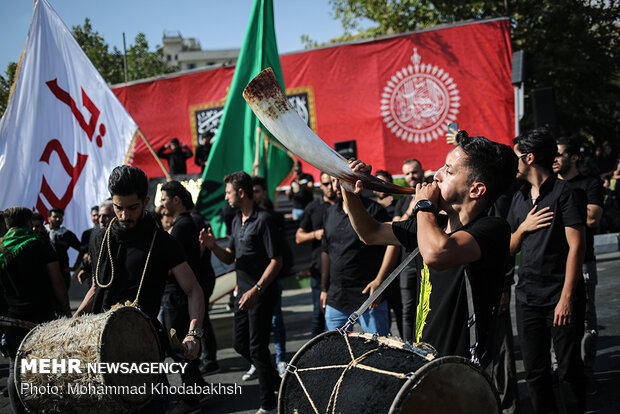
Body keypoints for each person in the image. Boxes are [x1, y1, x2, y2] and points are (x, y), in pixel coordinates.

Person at [340, 132, 517, 363]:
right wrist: (349, 190)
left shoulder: (492, 228)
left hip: (462, 368)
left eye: (449, 171)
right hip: (424, 359)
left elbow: (437, 253)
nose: (436, 175)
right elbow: (370, 233)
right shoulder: (433, 224)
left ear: (476, 190)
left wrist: (424, 205)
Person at [75, 166, 204, 414]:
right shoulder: (98, 238)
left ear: (145, 202)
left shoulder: (163, 242)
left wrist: (194, 334)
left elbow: (193, 291)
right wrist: (73, 322)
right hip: (100, 348)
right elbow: (96, 287)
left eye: (132, 207)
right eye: (118, 207)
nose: (124, 215)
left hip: (144, 349)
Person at [509, 128, 586, 414]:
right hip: (527, 297)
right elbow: (509, 247)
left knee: (567, 370)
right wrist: (524, 227)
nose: (512, 163)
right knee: (535, 372)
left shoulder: (566, 193)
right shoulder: (518, 198)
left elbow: (576, 247)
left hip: (560, 295)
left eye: (516, 157)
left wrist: (566, 298)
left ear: (529, 158)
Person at [201, 171, 282, 414]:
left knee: (257, 348)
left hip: (260, 295)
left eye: (228, 192)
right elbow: (231, 259)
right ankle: (276, 382)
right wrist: (213, 246)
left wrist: (257, 289)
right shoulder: (237, 220)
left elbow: (276, 261)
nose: (226, 197)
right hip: (242, 295)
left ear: (242, 193)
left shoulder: (264, 220)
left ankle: (268, 405)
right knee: (240, 344)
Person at [0, 207, 71, 414]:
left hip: (10, 319)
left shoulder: (1, 248)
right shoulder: (41, 244)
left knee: (16, 366)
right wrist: (66, 309)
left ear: (7, 225)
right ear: (29, 223)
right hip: (41, 316)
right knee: (46, 365)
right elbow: (57, 281)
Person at [553, 136, 603, 396]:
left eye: (560, 154)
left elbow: (592, 218)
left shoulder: (589, 183)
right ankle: (558, 370)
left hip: (584, 261)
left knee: (585, 320)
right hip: (552, 264)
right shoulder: (548, 186)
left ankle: (587, 372)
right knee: (552, 317)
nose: (555, 159)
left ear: (574, 158)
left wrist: (557, 212)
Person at [320, 175, 391, 336]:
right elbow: (326, 251)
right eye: (332, 181)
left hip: (368, 295)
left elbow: (392, 246)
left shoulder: (375, 210)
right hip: (336, 296)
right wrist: (324, 288)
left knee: (379, 351)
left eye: (340, 179)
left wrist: (380, 281)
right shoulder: (329, 213)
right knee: (334, 352)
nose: (336, 185)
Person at [160, 181, 208, 413]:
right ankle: (198, 387)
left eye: (164, 199)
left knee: (180, 350)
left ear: (176, 200)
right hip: (179, 296)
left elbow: (169, 267)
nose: (161, 204)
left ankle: (190, 400)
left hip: (177, 297)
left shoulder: (180, 227)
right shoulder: (185, 224)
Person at [377, 158, 425, 343]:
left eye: (414, 172)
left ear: (421, 171)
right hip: (407, 264)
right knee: (407, 310)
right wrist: (411, 210)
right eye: (407, 174)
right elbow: (397, 228)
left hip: (430, 260)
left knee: (429, 307)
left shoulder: (435, 194)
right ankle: (409, 348)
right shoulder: (403, 202)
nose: (411, 177)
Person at [252, 175, 288, 377]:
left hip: (271, 280)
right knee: (256, 326)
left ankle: (281, 358)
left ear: (263, 193)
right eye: (252, 191)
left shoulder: (271, 218)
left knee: (276, 320)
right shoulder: (241, 218)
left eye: (257, 191)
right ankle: (258, 361)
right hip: (250, 281)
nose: (254, 195)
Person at [295, 172, 336, 337]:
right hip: (319, 270)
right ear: (320, 186)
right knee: (319, 314)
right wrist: (315, 234)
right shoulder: (313, 208)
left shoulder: (345, 206)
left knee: (341, 318)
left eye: (331, 183)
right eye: (325, 184)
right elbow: (298, 237)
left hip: (342, 270)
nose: (330, 187)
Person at [47, 207, 81, 288]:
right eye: (55, 217)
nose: (58, 219)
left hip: (62, 272)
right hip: (45, 272)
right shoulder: (42, 232)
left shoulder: (68, 235)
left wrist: (75, 267)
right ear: (49, 219)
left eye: (60, 217)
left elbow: (82, 250)